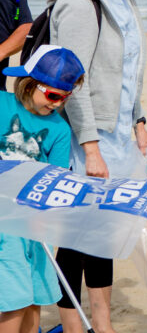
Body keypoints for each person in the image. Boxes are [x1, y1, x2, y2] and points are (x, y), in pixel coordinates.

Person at [47, 0, 147, 333]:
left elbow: (127, 71)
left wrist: (139, 120)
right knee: (78, 236)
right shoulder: (81, 4)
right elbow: (72, 82)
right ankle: (74, 326)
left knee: (102, 230)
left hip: (115, 136)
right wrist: (91, 147)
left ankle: (102, 321)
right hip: (85, 141)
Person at [0, 47, 81, 333]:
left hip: (34, 224)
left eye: (65, 98)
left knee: (35, 293)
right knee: (13, 296)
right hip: (4, 224)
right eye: (53, 96)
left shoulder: (59, 130)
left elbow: (56, 178)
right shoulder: (2, 105)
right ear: (30, 84)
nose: (58, 105)